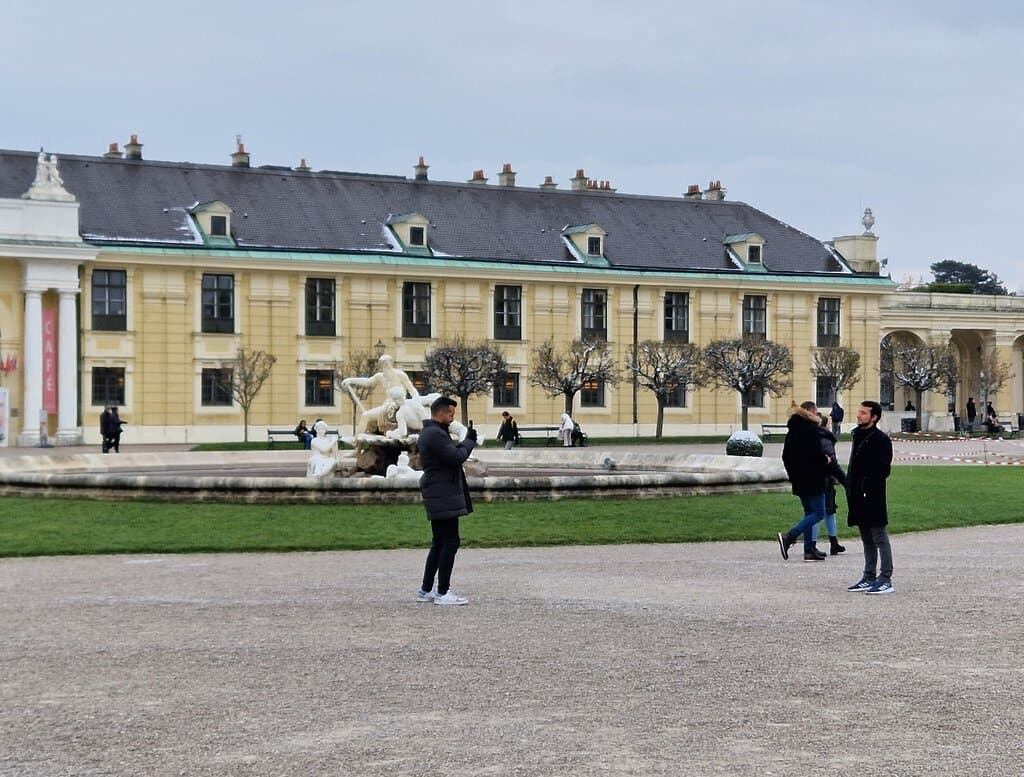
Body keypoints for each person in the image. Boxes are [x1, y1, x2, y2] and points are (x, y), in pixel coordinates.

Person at [416, 396, 478, 606]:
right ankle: (443, 591)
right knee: (450, 542)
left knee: (440, 542)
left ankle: (426, 590)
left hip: (440, 491)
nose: (453, 418)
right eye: (451, 414)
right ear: (441, 413)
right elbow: (455, 457)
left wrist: (465, 442)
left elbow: (450, 456)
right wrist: (469, 441)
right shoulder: (434, 434)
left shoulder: (433, 432)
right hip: (442, 492)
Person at [846, 400, 895, 594]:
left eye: (863, 413)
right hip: (857, 493)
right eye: (859, 412)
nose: (859, 415)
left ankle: (885, 577)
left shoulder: (880, 439)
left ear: (874, 417)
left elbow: (883, 469)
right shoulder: (857, 435)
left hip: (872, 494)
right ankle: (869, 575)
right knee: (866, 536)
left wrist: (867, 484)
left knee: (879, 536)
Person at [777, 401, 832, 561]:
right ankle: (789, 535)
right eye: (815, 411)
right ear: (808, 412)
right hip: (813, 477)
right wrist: (825, 459)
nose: (817, 414)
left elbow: (786, 456)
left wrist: (793, 474)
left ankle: (809, 549)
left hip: (799, 477)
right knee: (819, 512)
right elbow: (816, 452)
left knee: (809, 512)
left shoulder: (793, 430)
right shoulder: (811, 429)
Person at [810, 414, 847, 555]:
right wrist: (844, 481)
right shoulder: (825, 438)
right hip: (824, 480)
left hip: (815, 480)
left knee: (823, 512)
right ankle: (816, 544)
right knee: (823, 512)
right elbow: (832, 463)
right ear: (825, 425)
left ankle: (832, 542)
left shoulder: (811, 437)